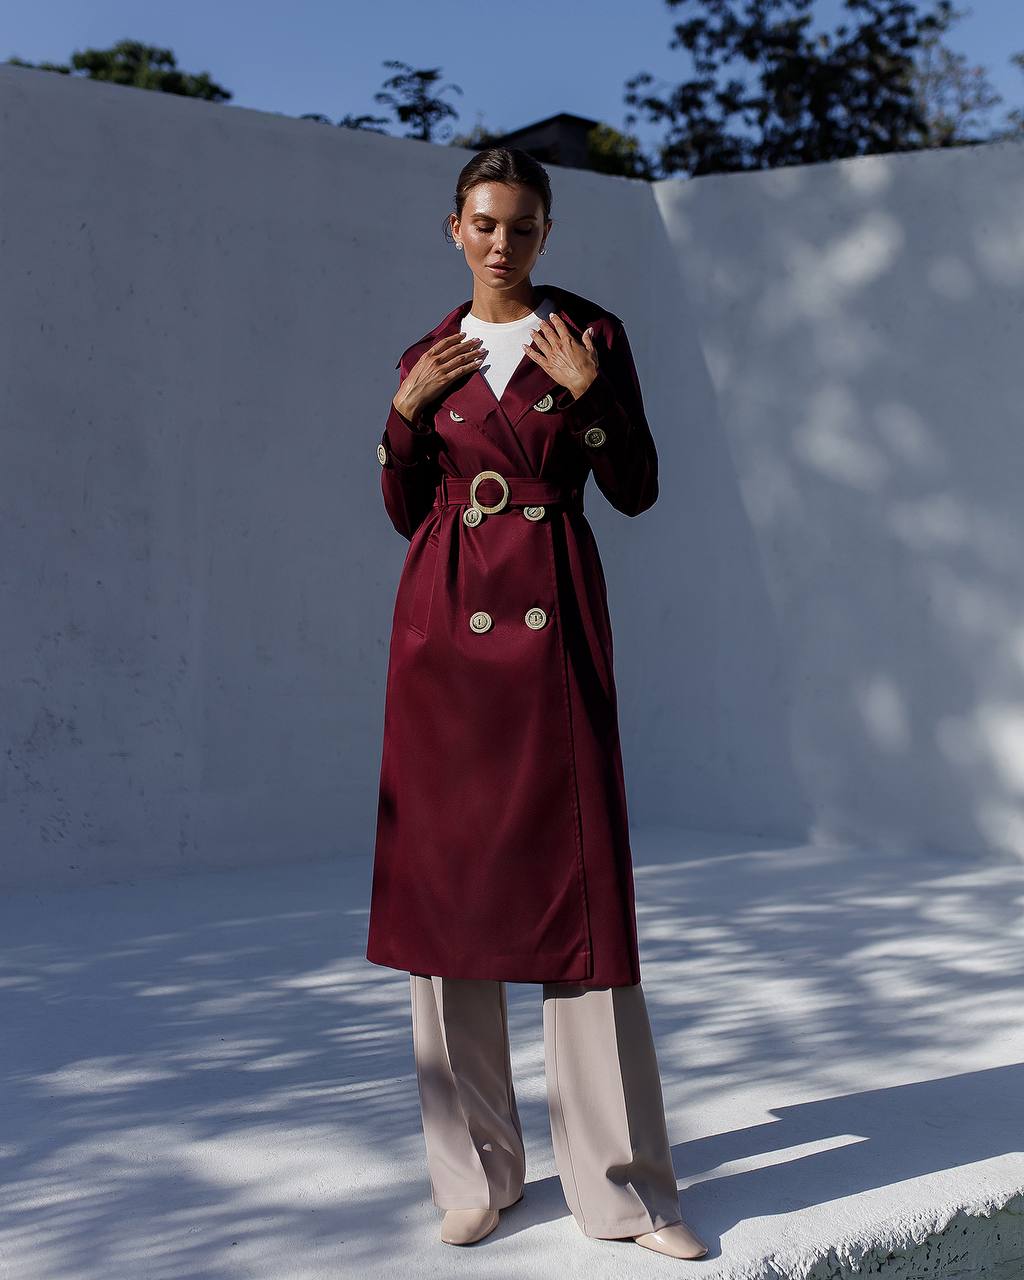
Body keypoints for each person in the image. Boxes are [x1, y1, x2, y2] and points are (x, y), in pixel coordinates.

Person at [367, 146, 708, 1261]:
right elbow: (402, 503)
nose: (501, 242)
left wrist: (588, 398)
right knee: (447, 901)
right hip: (443, 631)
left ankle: (621, 1188)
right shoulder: (432, 350)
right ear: (452, 229)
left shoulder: (590, 337)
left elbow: (639, 488)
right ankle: (474, 1172)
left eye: (520, 224)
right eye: (482, 222)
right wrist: (402, 414)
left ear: (545, 232)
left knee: (582, 903)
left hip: (554, 615)